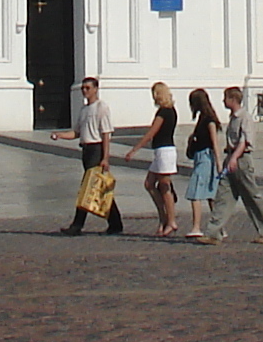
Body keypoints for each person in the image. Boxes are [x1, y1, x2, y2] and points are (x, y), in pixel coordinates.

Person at [52, 75, 125, 236]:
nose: (85, 91)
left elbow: (106, 133)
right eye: (83, 88)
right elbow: (77, 132)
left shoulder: (101, 107)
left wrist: (106, 157)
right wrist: (60, 135)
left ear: (96, 89)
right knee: (98, 187)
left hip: (96, 149)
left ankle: (77, 225)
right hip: (86, 150)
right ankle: (115, 222)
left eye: (88, 88)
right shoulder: (84, 110)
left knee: (87, 188)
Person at [216, 85, 263, 244]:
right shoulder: (233, 117)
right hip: (230, 158)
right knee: (223, 196)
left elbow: (244, 141)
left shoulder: (245, 118)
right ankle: (213, 232)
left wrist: (234, 158)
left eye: (225, 98)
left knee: (251, 196)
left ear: (233, 99)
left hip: (241, 160)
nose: (223, 101)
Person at [122, 79, 181, 238]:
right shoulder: (171, 111)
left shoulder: (164, 112)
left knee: (164, 186)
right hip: (161, 151)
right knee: (149, 184)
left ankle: (171, 220)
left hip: (164, 151)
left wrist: (134, 150)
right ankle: (163, 217)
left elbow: (151, 133)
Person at [181, 88, 224, 247]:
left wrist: (219, 163)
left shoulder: (208, 120)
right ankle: (218, 227)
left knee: (196, 192)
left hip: (206, 158)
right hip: (201, 157)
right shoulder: (203, 118)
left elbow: (214, 142)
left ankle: (196, 226)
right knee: (210, 195)